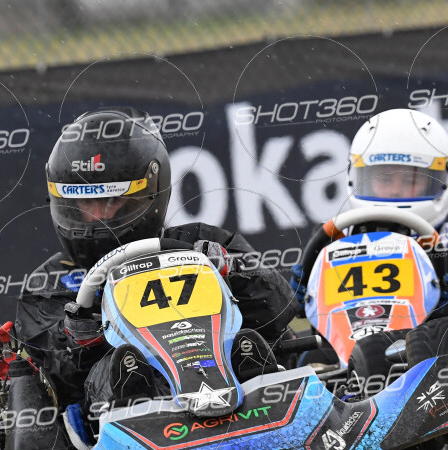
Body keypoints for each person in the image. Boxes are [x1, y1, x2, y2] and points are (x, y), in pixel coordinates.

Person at [15, 107, 297, 426]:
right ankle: (143, 407)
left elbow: (279, 308)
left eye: (112, 201)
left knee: (248, 342)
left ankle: (265, 407)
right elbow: (58, 379)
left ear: (151, 192)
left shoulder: (203, 243)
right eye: (84, 203)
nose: (98, 217)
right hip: (125, 421)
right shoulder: (50, 284)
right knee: (122, 365)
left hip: (224, 378)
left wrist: (230, 271)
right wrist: (76, 338)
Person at [291, 108, 448, 346]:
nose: (396, 191)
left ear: (442, 179)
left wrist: (444, 306)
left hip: (432, 353)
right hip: (343, 357)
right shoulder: (333, 238)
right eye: (385, 179)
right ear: (356, 176)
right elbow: (311, 318)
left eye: (410, 180)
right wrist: (301, 298)